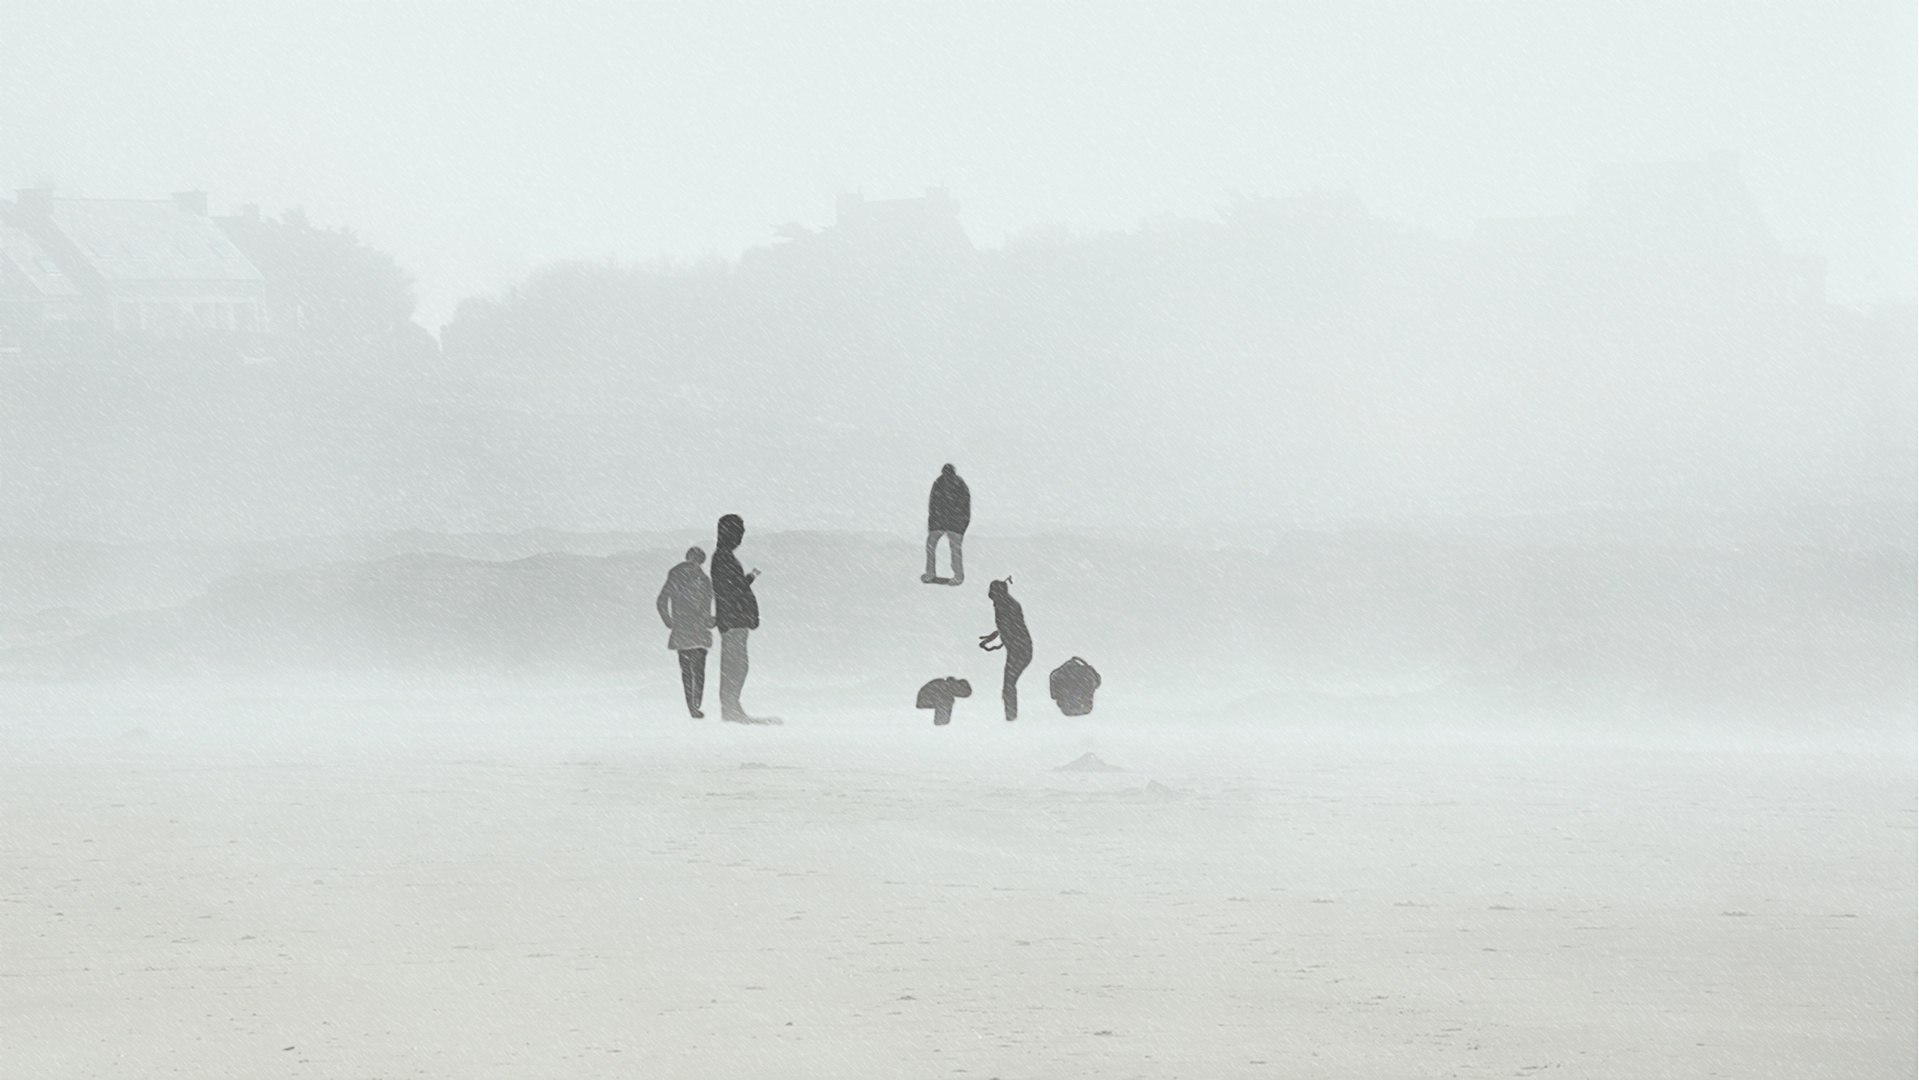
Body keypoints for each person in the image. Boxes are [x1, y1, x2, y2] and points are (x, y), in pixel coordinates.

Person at [711, 514, 778, 724]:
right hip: (733, 620)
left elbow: (732, 588)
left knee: (736, 664)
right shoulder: (723, 557)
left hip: (734, 619)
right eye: (738, 532)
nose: (740, 538)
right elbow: (731, 589)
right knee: (735, 665)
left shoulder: (723, 556)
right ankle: (731, 710)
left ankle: (732, 709)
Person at [655, 546, 716, 717]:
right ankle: (695, 705)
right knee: (698, 671)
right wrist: (710, 621)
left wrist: (670, 622)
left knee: (688, 672)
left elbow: (661, 601)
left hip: (683, 630)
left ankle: (692, 707)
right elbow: (705, 610)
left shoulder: (675, 576)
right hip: (697, 631)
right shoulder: (704, 580)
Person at [977, 577, 1033, 721]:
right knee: (1009, 684)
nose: (990, 594)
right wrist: (994, 637)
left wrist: (999, 640)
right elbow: (1008, 627)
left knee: (1009, 685)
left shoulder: (1003, 605)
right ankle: (1010, 716)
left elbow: (1010, 627)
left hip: (1019, 650)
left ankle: (1011, 717)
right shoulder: (1006, 603)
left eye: (992, 591)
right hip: (1020, 648)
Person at [922, 464, 970, 585]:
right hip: (949, 523)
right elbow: (965, 506)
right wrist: (962, 524)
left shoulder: (941, 483)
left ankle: (932, 574)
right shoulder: (955, 484)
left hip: (945, 522)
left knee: (933, 546)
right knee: (954, 549)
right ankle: (956, 576)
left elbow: (933, 504)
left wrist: (933, 522)